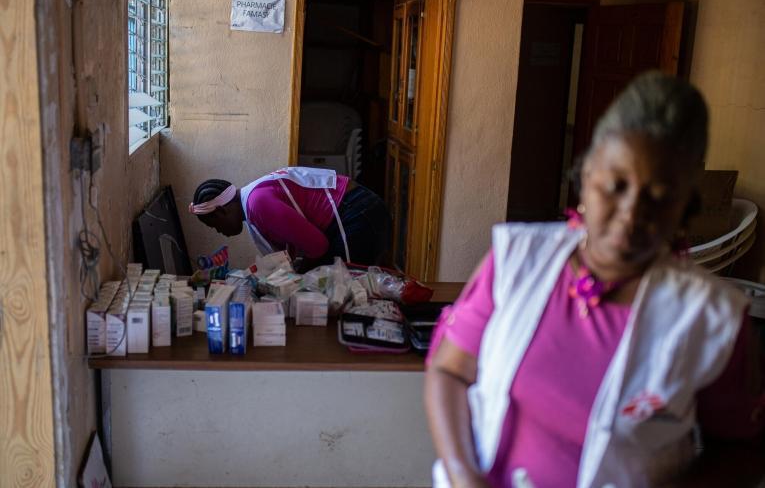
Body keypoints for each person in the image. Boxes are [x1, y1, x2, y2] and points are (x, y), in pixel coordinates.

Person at [424, 72, 765, 488]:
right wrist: (463, 474)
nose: (631, 213)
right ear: (585, 177)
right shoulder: (516, 263)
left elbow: (742, 452)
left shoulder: (713, 319)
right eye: (616, 185)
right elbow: (449, 372)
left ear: (684, 207)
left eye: (659, 196)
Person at [189, 167, 391, 267]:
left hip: (356, 212)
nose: (220, 232)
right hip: (359, 208)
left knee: (345, 289)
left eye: (215, 225)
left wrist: (299, 270)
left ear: (222, 211)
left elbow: (318, 246)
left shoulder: (256, 204)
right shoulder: (253, 196)